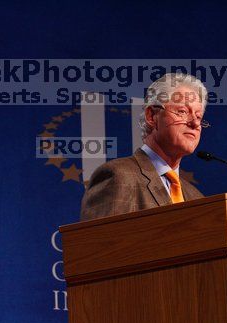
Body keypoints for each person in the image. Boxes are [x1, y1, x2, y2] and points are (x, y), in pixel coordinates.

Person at [80, 73, 207, 221]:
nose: (195, 124)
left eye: (198, 116)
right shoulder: (119, 177)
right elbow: (99, 243)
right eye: (182, 112)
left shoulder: (196, 197)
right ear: (152, 116)